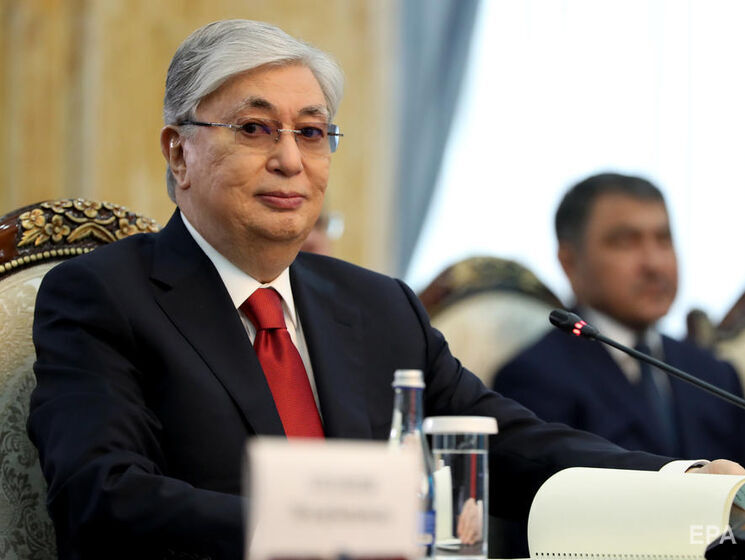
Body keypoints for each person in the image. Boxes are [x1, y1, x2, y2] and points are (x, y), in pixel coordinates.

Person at [28, 22, 741, 560]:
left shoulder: (375, 305)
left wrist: (679, 479)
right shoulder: (102, 296)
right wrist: (333, 525)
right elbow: (102, 496)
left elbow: (506, 442)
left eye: (312, 133)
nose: (289, 159)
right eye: (255, 129)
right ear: (178, 152)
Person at [494, 172, 745, 463]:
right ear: (569, 261)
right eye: (627, 243)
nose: (654, 264)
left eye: (664, 240)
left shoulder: (713, 373)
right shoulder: (535, 377)